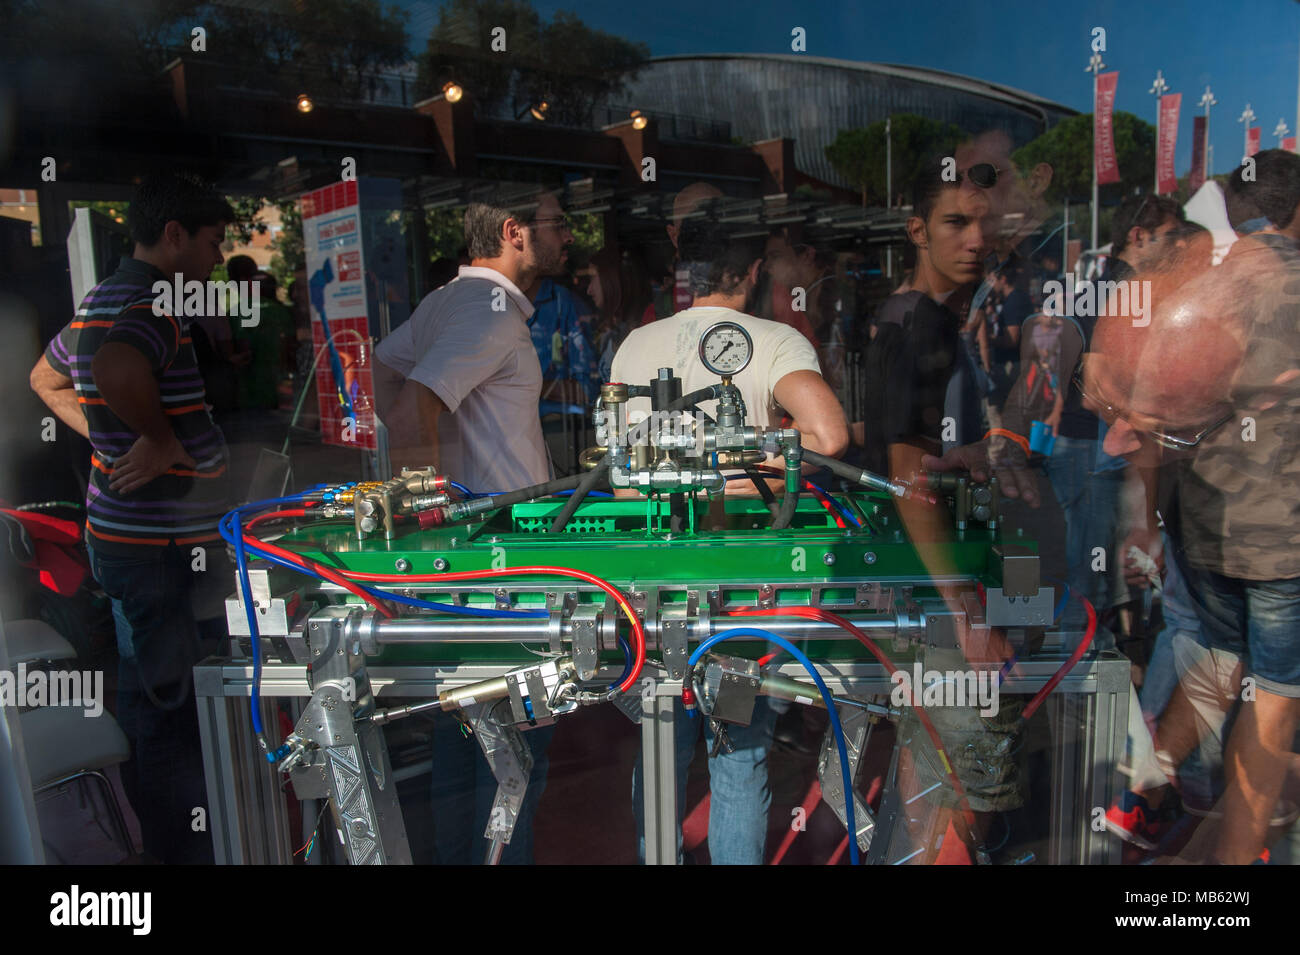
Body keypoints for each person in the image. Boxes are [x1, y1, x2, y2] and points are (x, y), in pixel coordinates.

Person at [613, 218, 848, 864]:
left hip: (645, 574)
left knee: (661, 744)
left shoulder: (635, 343)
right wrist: (752, 472)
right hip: (739, 583)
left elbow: (622, 468)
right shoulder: (773, 340)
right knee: (737, 753)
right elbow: (828, 436)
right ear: (752, 273)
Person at [1098, 150, 1300, 863]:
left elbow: (1135, 421)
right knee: (1276, 698)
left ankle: (1141, 788)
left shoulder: (1199, 292)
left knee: (1220, 658)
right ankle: (1229, 873)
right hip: (1282, 539)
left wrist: (1151, 519)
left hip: (1208, 530)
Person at [29, 171, 235, 864]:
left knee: (149, 696)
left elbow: (45, 378)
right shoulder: (154, 298)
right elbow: (118, 369)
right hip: (162, 544)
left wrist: (113, 439)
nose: (216, 257)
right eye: (211, 242)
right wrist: (160, 439)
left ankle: (163, 840)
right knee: (174, 712)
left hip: (122, 534)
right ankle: (185, 848)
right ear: (173, 235)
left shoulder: (104, 295)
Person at [372, 189, 572, 864]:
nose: (569, 234)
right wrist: (438, 520)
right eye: (557, 223)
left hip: (478, 564)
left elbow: (383, 368)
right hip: (501, 568)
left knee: (471, 751)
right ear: (515, 232)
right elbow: (407, 414)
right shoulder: (485, 309)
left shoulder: (449, 301)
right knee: (514, 761)